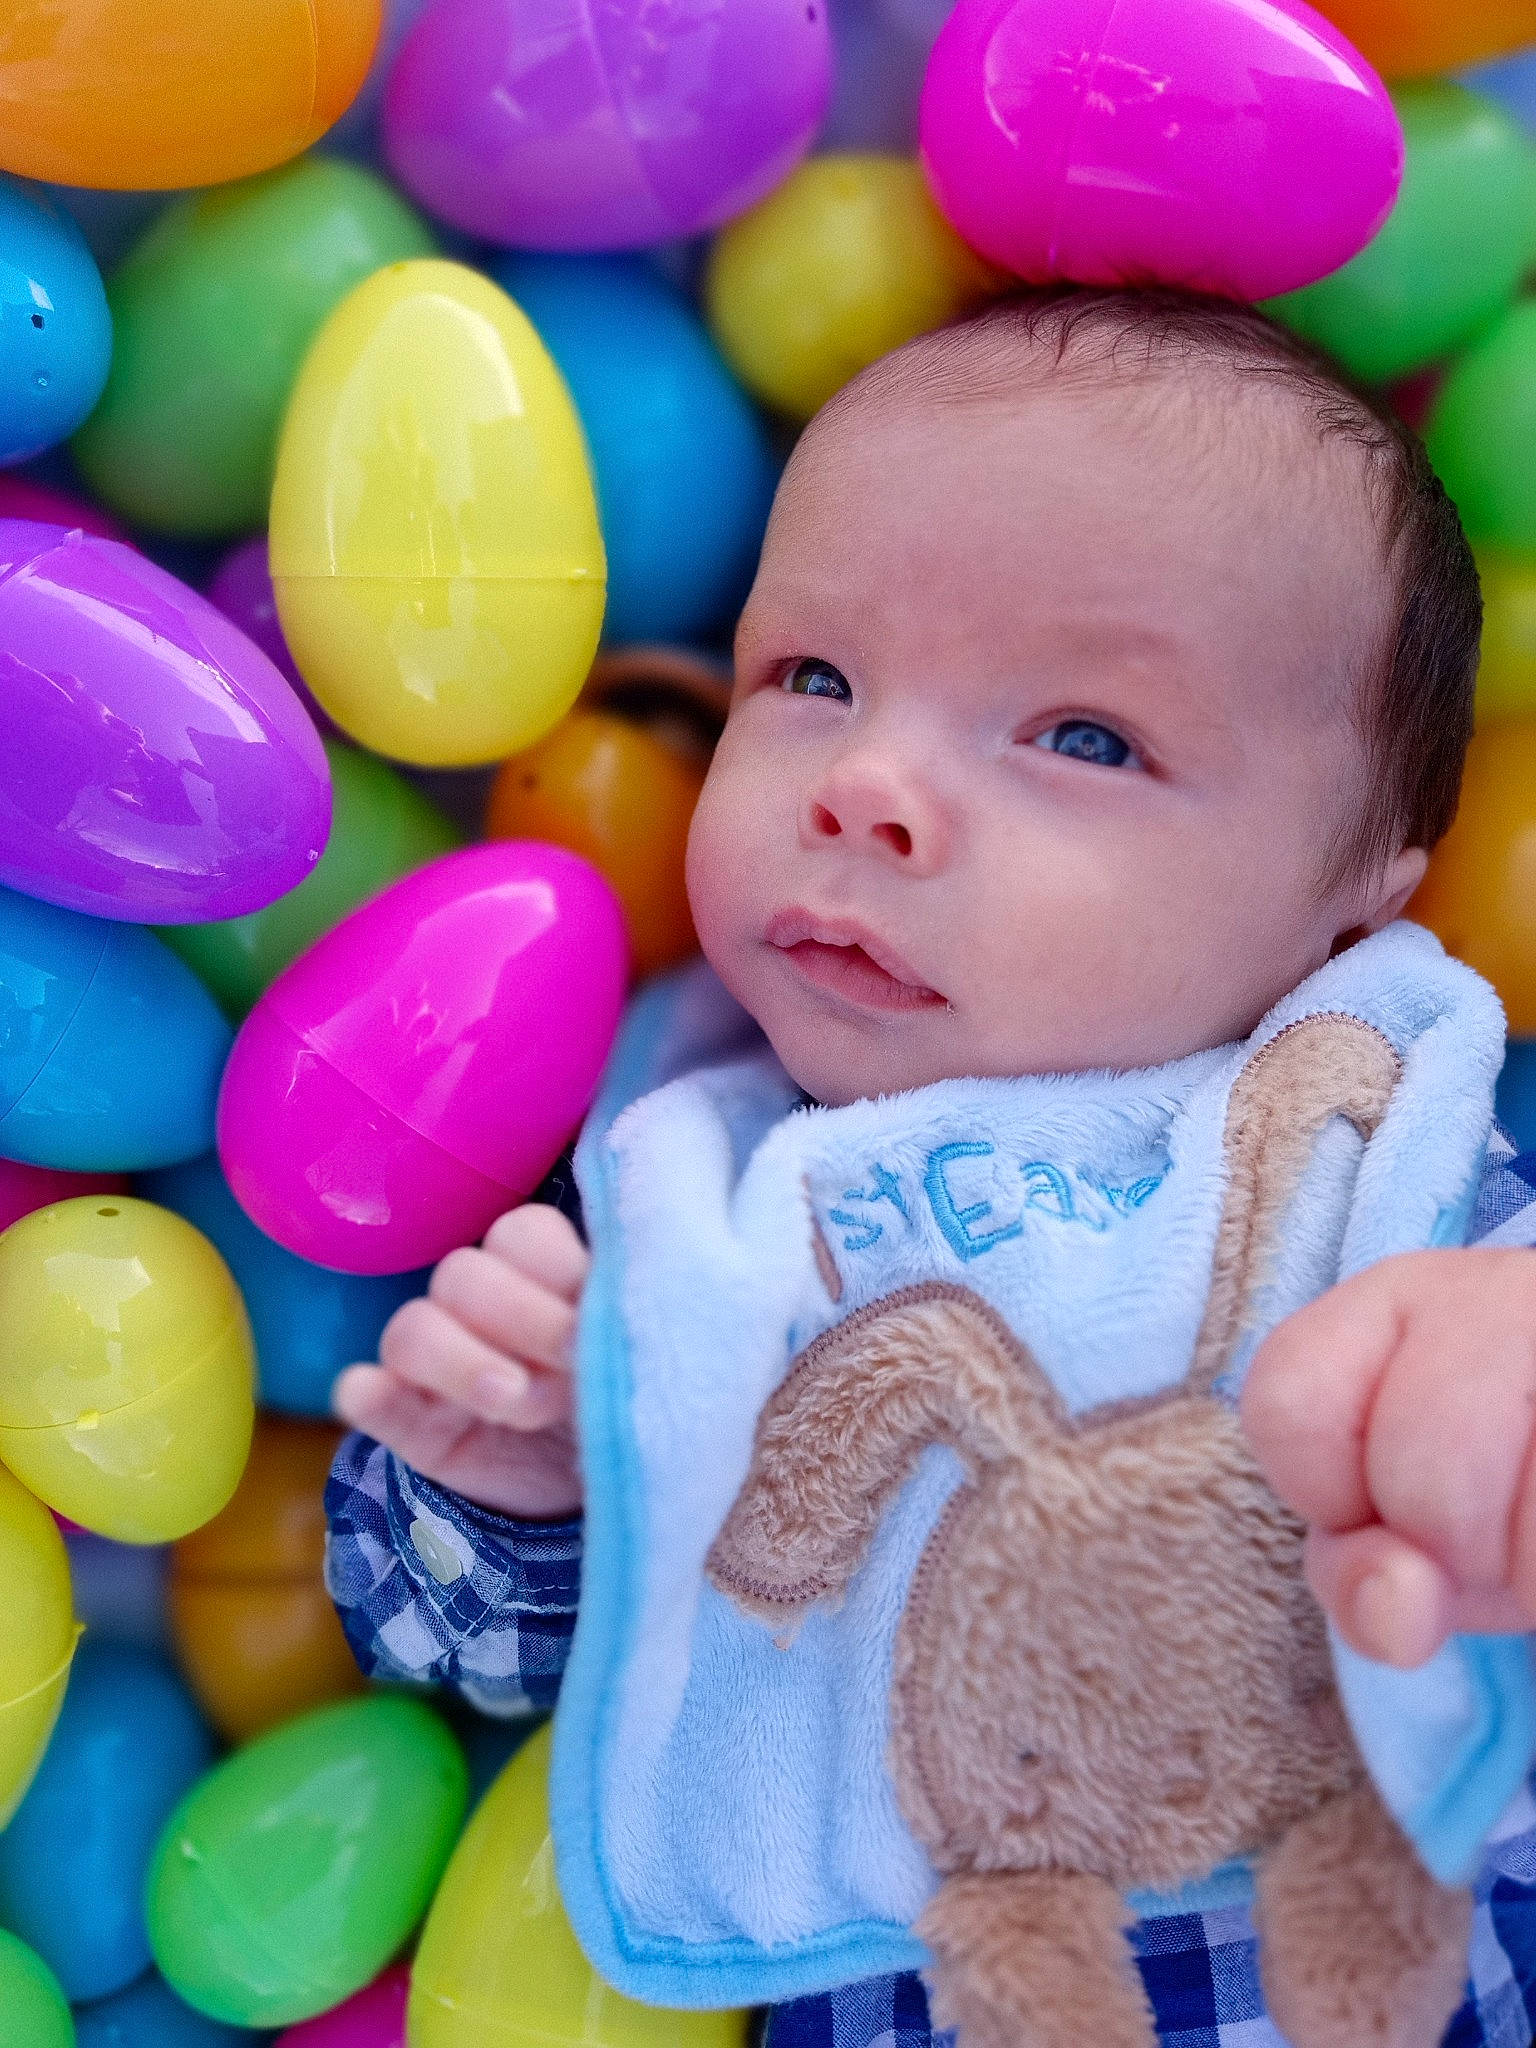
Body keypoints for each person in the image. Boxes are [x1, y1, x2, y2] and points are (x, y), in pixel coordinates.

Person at [324, 287, 1536, 2044]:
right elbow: (476, 1665)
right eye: (813, 679)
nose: (867, 784)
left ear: (1352, 909)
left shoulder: (1379, 1162)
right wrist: (524, 1488)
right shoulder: (695, 1203)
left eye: (1085, 738)